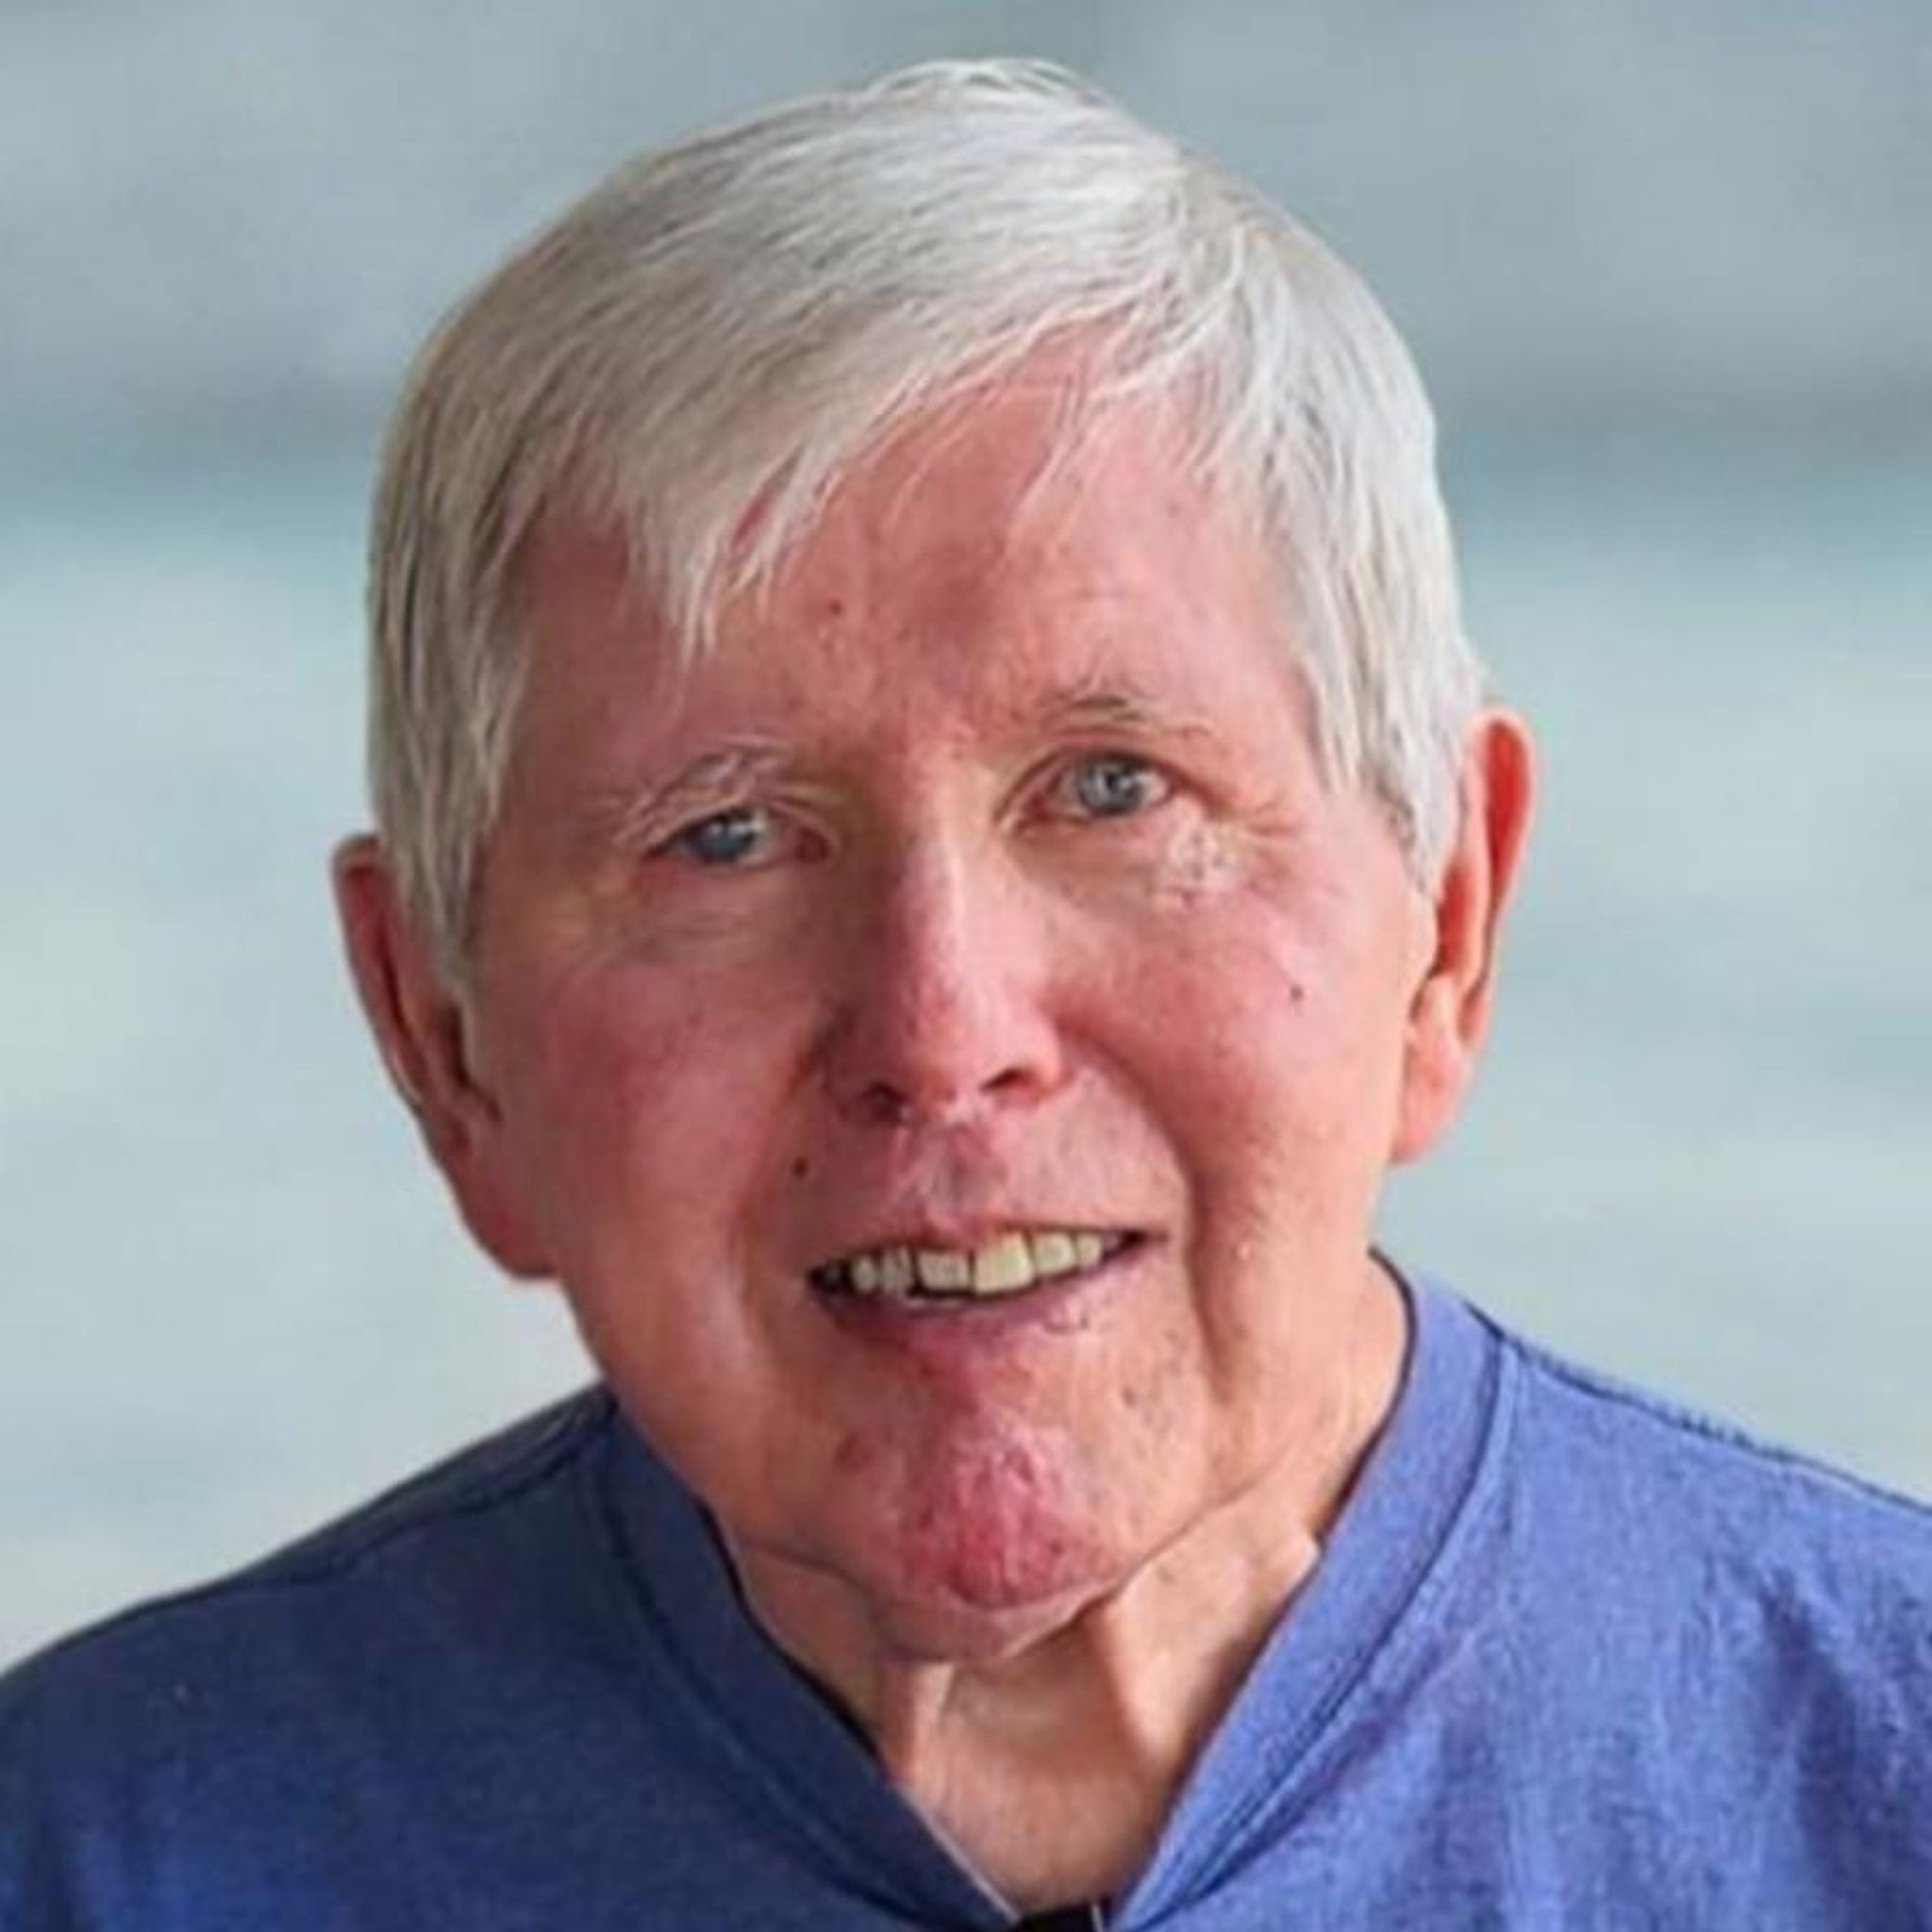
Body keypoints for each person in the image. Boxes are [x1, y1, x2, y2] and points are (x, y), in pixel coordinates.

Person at [4, 58, 1928, 1930]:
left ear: (1447, 918)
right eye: (726, 838)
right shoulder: (94, 1861)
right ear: (440, 1037)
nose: (942, 1034)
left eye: (1115, 791)